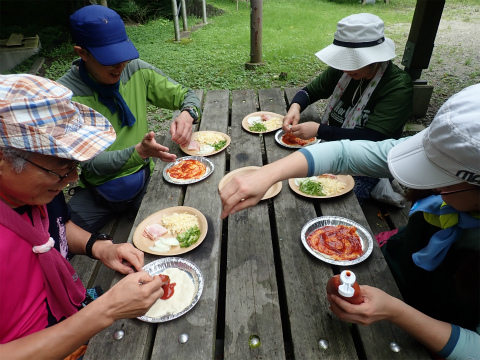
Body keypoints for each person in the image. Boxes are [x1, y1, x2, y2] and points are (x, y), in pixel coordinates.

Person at [219, 84, 480, 358]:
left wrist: (396, 311)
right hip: (399, 270)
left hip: (430, 331)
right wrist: (269, 173)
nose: (431, 188)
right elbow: (344, 154)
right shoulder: (452, 155)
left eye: (439, 183)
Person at [0, 74, 165, 359]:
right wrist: (107, 310)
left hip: (71, 313)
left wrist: (100, 247)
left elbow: (56, 230)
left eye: (74, 164)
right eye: (59, 166)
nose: (73, 177)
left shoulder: (36, 194)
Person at [57, 5, 202, 233]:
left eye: (122, 55)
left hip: (145, 182)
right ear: (81, 53)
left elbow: (187, 95)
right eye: (109, 59)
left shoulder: (134, 70)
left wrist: (188, 113)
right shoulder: (64, 97)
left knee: (183, 228)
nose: (119, 66)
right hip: (98, 194)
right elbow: (89, 163)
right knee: (56, 241)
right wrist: (139, 152)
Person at [282, 13, 413, 203]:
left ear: (375, 57)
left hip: (366, 162)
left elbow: (374, 139)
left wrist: (320, 130)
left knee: (328, 199)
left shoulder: (397, 86)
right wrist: (295, 107)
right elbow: (309, 92)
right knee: (290, 180)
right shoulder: (343, 69)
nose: (346, 68)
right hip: (329, 144)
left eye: (354, 62)